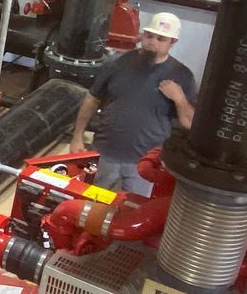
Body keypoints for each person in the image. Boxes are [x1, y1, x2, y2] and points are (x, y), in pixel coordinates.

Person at [66, 11, 196, 197]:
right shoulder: (116, 63)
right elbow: (92, 99)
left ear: (172, 42)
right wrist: (77, 136)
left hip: (144, 163)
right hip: (104, 154)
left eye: (161, 39)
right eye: (149, 36)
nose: (152, 42)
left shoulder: (182, 75)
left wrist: (180, 98)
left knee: (133, 211)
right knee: (88, 203)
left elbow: (189, 123)